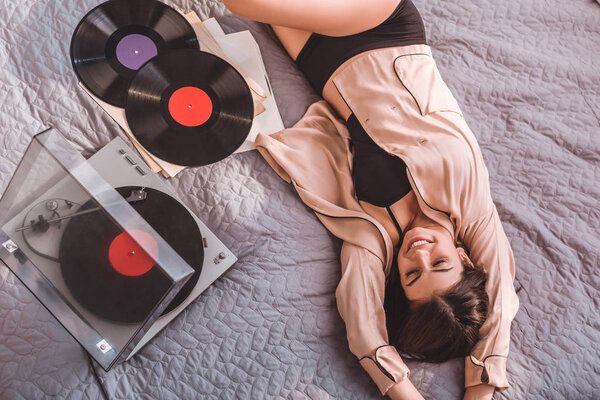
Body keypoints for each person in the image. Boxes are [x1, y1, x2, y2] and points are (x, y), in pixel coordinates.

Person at [223, 0, 520, 399]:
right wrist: (479, 390)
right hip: (385, 28)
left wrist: (401, 391)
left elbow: (362, 322)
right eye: (441, 263)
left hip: (321, 56)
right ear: (466, 258)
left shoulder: (373, 237)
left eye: (413, 274)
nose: (420, 254)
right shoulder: (470, 202)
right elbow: (501, 296)